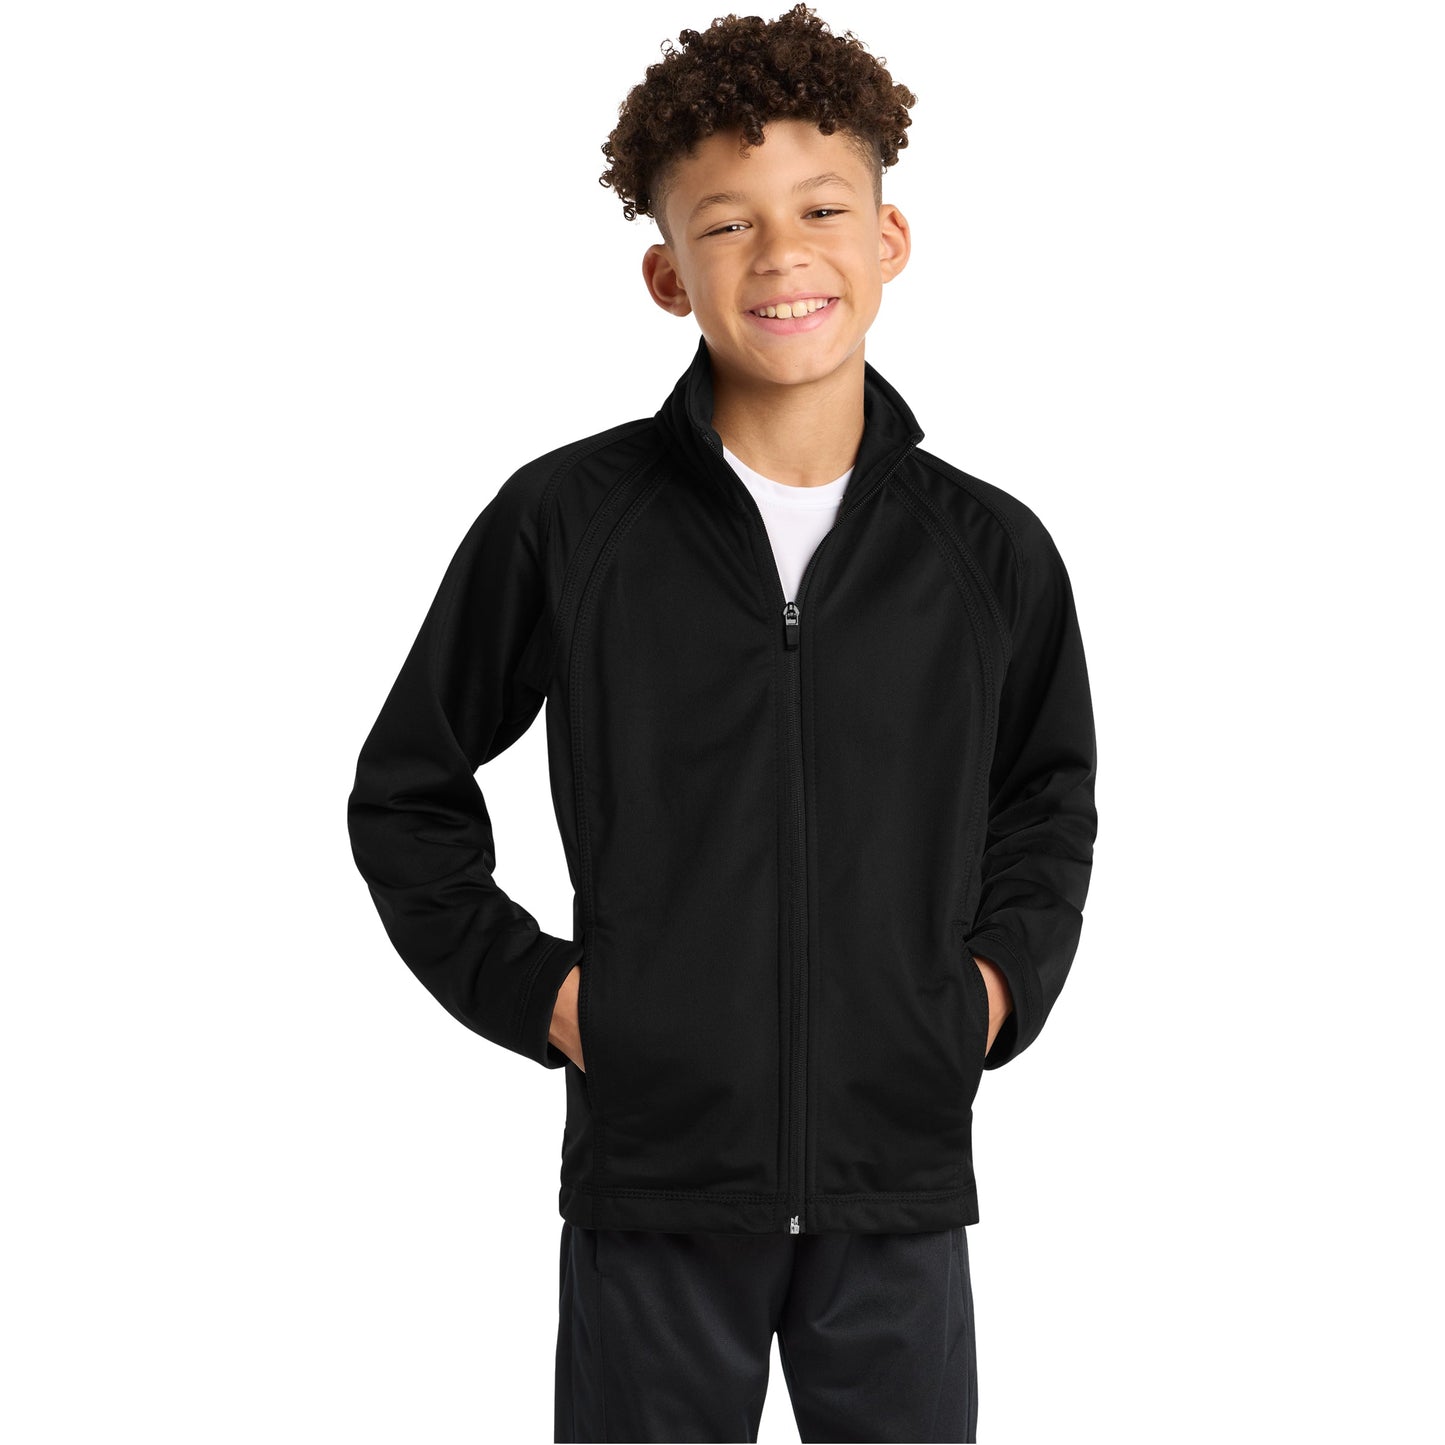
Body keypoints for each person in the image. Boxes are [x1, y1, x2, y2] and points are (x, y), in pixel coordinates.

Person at [346, 6, 1097, 1440]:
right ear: (666, 274)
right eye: (726, 224)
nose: (781, 254)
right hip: (656, 1174)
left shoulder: (986, 550)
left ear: (889, 238)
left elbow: (1047, 799)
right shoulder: (570, 523)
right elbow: (406, 790)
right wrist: (548, 995)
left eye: (821, 207)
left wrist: (988, 993)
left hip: (894, 1174)